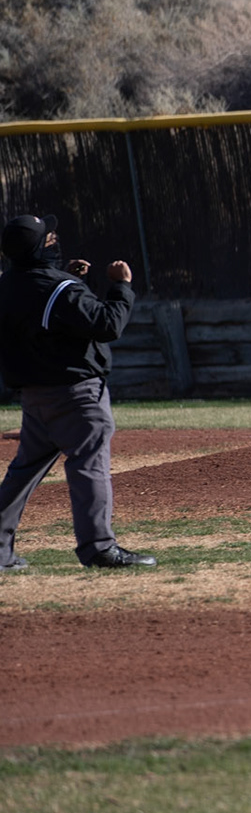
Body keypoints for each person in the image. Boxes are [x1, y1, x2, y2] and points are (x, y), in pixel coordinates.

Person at [0, 214, 153, 571]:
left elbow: (41, 310)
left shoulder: (7, 285)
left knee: (23, 473)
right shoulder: (61, 288)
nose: (54, 240)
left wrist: (69, 279)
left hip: (34, 396)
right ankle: (99, 548)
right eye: (48, 238)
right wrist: (121, 286)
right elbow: (107, 324)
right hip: (76, 395)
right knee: (89, 466)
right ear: (38, 249)